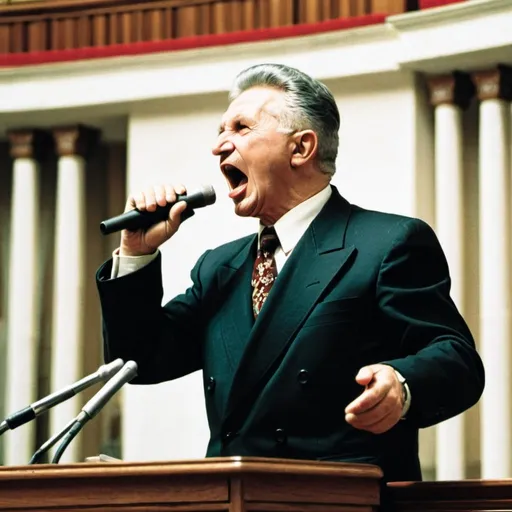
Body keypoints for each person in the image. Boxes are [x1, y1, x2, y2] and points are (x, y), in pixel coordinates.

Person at [96, 63, 485, 482]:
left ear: (301, 148)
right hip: (232, 497)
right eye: (220, 130)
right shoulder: (219, 268)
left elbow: (457, 359)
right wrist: (136, 252)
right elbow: (138, 362)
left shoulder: (387, 242)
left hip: (334, 500)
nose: (219, 147)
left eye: (241, 128)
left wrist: (402, 384)